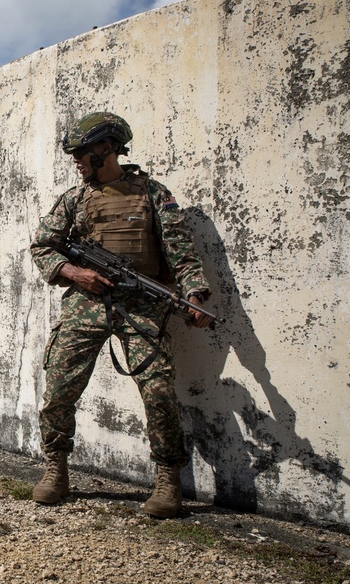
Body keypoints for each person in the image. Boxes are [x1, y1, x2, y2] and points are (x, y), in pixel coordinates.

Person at [29, 111, 214, 519]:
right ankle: (56, 470)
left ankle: (168, 481)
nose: (76, 161)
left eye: (82, 153)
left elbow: (180, 251)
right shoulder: (74, 199)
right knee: (59, 389)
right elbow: (42, 245)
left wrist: (195, 295)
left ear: (106, 148)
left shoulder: (153, 194)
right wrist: (75, 272)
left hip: (142, 304)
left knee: (159, 391)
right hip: (86, 303)